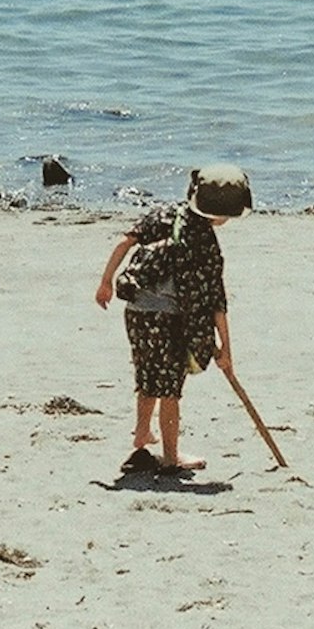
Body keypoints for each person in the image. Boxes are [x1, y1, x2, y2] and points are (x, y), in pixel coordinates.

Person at [95, 165, 252, 473]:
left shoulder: (165, 214)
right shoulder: (206, 243)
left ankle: (142, 434)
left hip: (137, 312)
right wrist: (225, 349)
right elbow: (216, 302)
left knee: (147, 373)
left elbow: (124, 243)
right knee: (170, 388)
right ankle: (170, 457)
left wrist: (105, 282)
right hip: (169, 319)